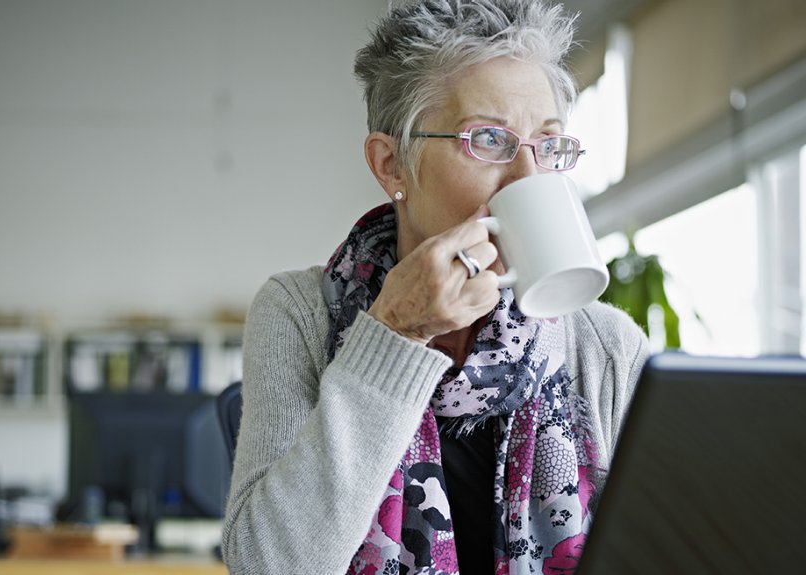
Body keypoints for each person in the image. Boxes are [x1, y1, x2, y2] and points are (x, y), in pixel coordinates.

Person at [221, 1, 649, 573]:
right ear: (393, 164)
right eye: (489, 140)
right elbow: (269, 565)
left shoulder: (604, 345)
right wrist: (394, 332)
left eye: (548, 146)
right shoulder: (301, 314)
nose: (529, 177)